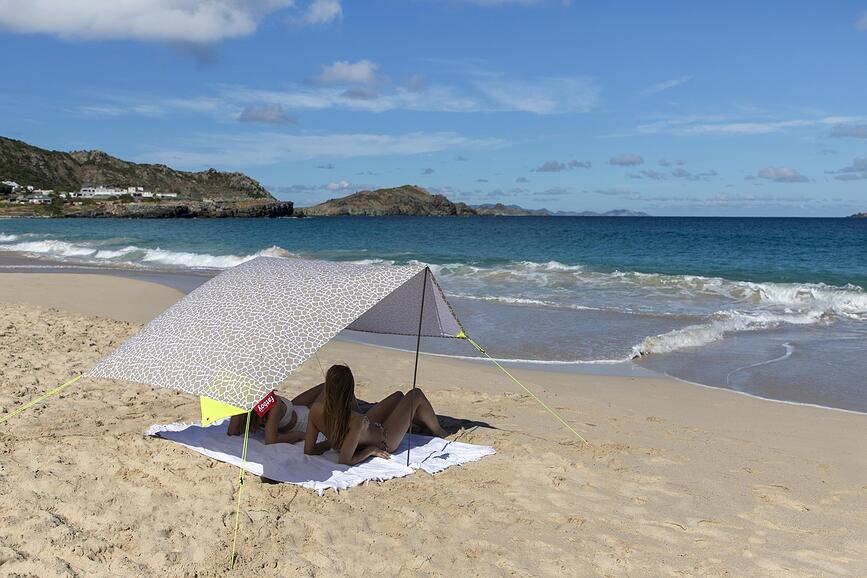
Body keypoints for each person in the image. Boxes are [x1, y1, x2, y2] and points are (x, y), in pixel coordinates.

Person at [305, 365, 446, 465]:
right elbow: (345, 460)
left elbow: (309, 450)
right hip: (385, 439)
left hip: (362, 432)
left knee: (398, 396)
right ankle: (438, 431)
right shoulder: (355, 420)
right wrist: (370, 450)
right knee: (416, 394)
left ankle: (418, 421)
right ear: (350, 391)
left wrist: (332, 443)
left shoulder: (315, 410)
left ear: (327, 387)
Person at [227, 382, 324, 444]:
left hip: (295, 409)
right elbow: (271, 440)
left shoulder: (248, 404)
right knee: (326, 386)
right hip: (306, 420)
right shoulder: (273, 403)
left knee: (325, 385)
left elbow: (232, 431)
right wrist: (299, 435)